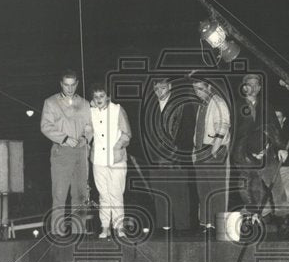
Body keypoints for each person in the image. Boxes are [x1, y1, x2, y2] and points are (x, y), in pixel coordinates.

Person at [138, 77, 195, 235]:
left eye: (162, 88)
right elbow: (146, 132)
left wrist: (175, 154)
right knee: (159, 194)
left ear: (169, 86)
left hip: (176, 159)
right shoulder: (150, 106)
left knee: (179, 194)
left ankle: (183, 229)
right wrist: (151, 157)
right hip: (155, 159)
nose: (159, 92)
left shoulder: (182, 105)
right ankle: (164, 228)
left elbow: (188, 132)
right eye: (156, 89)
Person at [231, 73, 289, 224]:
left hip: (267, 154)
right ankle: (255, 219)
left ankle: (284, 221)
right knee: (248, 188)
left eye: (257, 85)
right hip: (244, 156)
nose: (254, 87)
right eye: (250, 84)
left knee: (277, 187)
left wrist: (280, 148)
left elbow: (274, 128)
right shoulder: (235, 106)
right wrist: (248, 153)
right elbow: (234, 133)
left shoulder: (266, 106)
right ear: (244, 87)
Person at [40, 69, 92, 236]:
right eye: (66, 85)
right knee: (60, 193)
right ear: (61, 84)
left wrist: (85, 137)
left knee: (81, 193)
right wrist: (64, 138)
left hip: (81, 152)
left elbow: (90, 126)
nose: (69, 89)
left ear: (77, 84)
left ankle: (79, 230)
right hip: (61, 151)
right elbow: (45, 126)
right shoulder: (50, 102)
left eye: (72, 85)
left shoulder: (85, 104)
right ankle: (57, 231)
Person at [88, 83, 132, 239]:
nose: (99, 99)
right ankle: (105, 227)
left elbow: (127, 134)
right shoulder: (90, 112)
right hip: (98, 160)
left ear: (108, 96)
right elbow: (87, 133)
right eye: (96, 96)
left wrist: (117, 147)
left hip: (117, 159)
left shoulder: (117, 109)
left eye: (102, 96)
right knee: (103, 195)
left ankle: (120, 227)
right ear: (92, 98)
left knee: (116, 194)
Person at [191, 77, 232, 235]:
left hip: (214, 149)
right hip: (200, 149)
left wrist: (215, 149)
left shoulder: (218, 102)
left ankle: (219, 226)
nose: (198, 92)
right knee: (204, 189)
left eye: (200, 88)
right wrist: (194, 150)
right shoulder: (202, 105)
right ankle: (206, 223)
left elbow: (223, 125)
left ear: (209, 86)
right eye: (195, 89)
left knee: (218, 189)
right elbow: (198, 129)